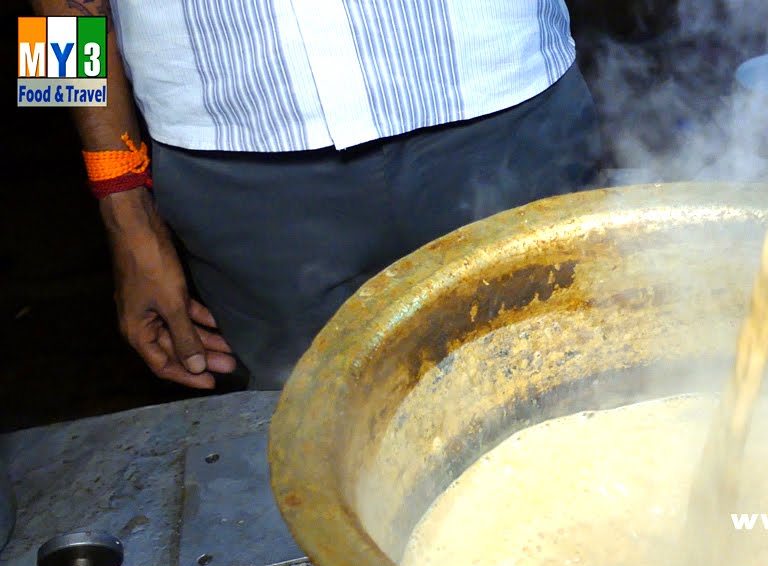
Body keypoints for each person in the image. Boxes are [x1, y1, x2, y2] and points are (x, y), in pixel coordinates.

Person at [36, 0, 602, 389]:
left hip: (508, 107)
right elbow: (45, 19)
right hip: (239, 185)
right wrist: (122, 210)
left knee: (584, 401)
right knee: (311, 474)